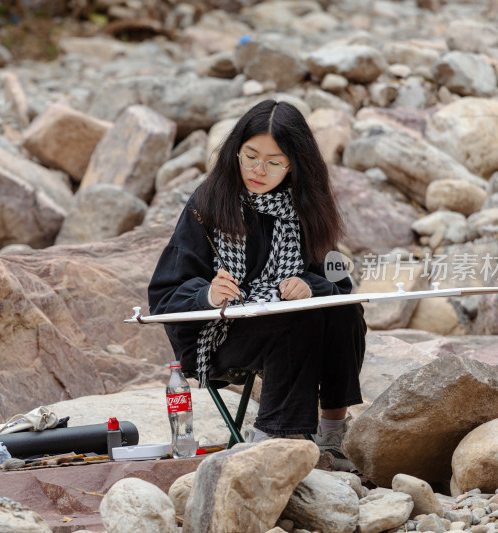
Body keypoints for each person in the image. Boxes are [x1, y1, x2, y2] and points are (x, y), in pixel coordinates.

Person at [148, 99, 367, 470]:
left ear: (295, 164)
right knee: (294, 319)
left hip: (289, 326)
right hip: (217, 336)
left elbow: (339, 283)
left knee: (342, 311)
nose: (258, 170)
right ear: (236, 151)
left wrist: (311, 285)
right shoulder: (208, 204)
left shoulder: (308, 209)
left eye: (274, 162)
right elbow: (164, 294)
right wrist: (207, 294)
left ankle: (331, 433)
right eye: (250, 156)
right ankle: (272, 439)